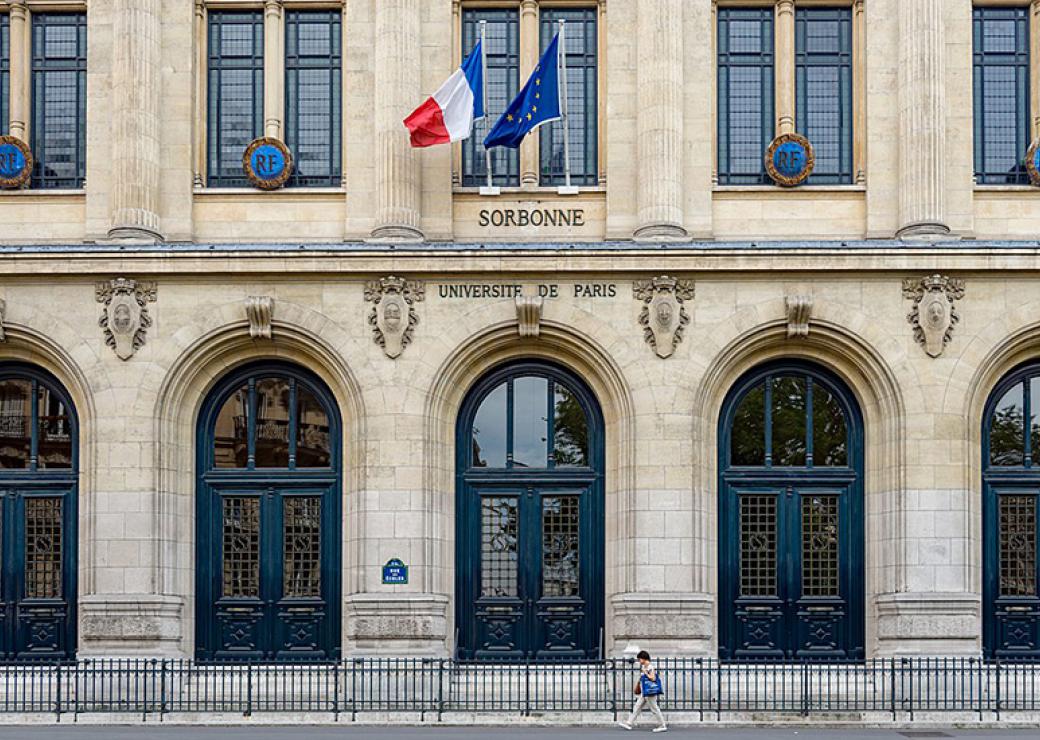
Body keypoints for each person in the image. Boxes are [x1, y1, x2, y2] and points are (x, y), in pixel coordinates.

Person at [618, 649, 667, 732]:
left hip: (650, 692)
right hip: (644, 692)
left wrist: (645, 673)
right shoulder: (644, 667)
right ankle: (629, 723)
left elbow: (653, 678)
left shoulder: (650, 667)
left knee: (654, 708)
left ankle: (662, 725)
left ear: (644, 658)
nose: (639, 661)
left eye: (639, 659)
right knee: (637, 706)